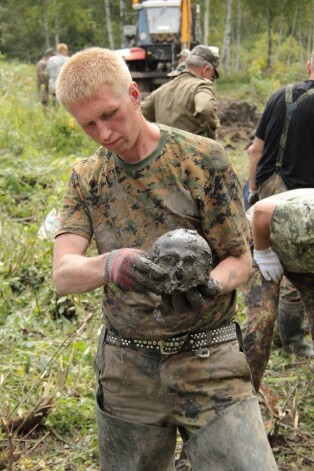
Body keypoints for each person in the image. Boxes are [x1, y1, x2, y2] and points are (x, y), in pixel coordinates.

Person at [52, 47, 278, 471]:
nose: (103, 133)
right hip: (128, 367)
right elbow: (64, 274)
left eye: (109, 114)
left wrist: (211, 284)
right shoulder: (87, 178)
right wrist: (111, 264)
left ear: (135, 95)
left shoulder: (201, 159)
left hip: (209, 356)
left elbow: (239, 259)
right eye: (88, 124)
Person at [245, 50, 314, 358]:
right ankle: (293, 341)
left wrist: (253, 189)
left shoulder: (279, 94)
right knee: (295, 274)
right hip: (299, 196)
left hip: (267, 188)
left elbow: (254, 149)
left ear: (309, 65)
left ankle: (264, 338)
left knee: (265, 269)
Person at [243, 189, 314, 392]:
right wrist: (263, 252)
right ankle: (245, 396)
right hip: (261, 241)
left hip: (303, 258)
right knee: (261, 322)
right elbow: (262, 212)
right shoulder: (308, 217)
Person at [141, 45, 220, 138]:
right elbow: (205, 108)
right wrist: (211, 138)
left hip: (164, 150)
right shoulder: (201, 86)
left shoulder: (162, 89)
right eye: (212, 76)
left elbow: (141, 113)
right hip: (193, 150)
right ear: (205, 69)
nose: (211, 79)